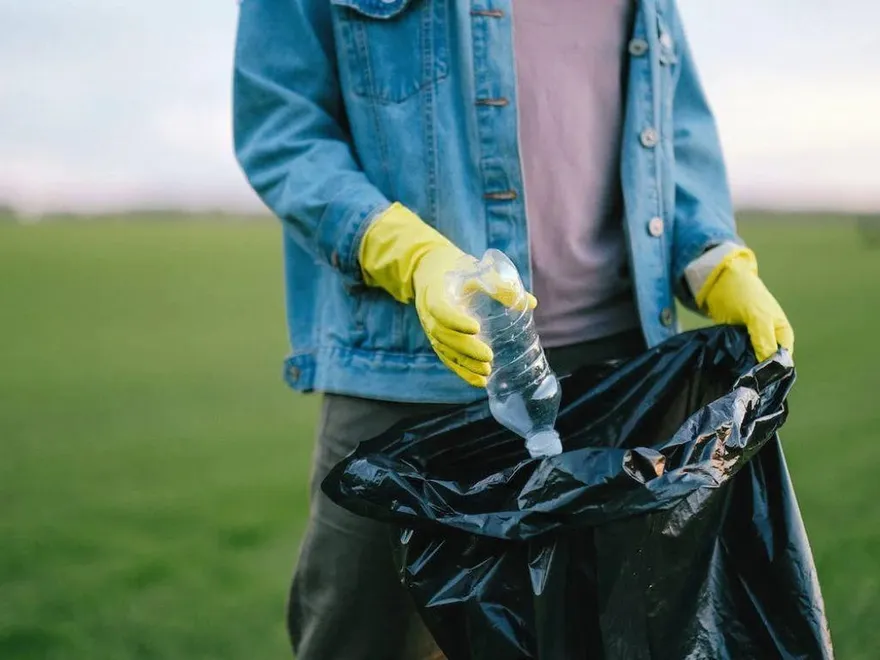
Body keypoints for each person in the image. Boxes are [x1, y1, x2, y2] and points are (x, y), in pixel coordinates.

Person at [233, 1, 794, 658]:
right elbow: (283, 128)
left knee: (606, 640)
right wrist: (412, 257)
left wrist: (714, 260)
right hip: (406, 370)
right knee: (364, 642)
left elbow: (673, 127)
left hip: (617, 377)